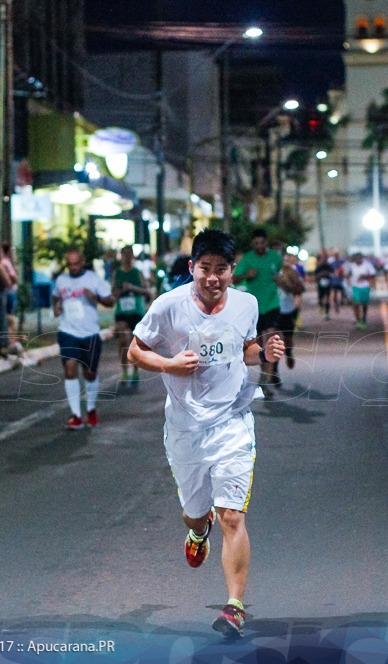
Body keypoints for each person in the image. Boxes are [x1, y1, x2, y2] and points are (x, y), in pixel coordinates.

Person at [127, 229, 285, 639]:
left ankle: (234, 607)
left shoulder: (247, 304)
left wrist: (264, 352)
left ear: (233, 271)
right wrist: (167, 364)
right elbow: (134, 350)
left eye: (222, 270)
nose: (213, 278)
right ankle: (198, 533)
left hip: (232, 422)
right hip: (185, 428)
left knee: (231, 515)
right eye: (205, 269)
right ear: (193, 268)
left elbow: (244, 347)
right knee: (197, 513)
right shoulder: (168, 306)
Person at [53, 248, 115, 429]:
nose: (73, 267)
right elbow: (56, 297)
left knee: (90, 373)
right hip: (67, 332)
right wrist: (56, 307)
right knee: (70, 369)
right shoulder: (61, 280)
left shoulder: (93, 279)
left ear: (82, 262)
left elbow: (110, 301)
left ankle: (91, 408)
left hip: (90, 333)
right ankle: (76, 415)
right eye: (69, 264)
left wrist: (94, 297)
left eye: (76, 263)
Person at [232, 228, 283, 396]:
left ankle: (267, 379)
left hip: (272, 304)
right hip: (254, 307)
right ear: (252, 244)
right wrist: (247, 274)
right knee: (260, 343)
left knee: (270, 336)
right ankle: (266, 372)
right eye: (256, 243)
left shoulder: (275, 257)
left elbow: (282, 274)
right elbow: (234, 279)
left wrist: (281, 281)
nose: (259, 246)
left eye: (262, 243)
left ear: (266, 243)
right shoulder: (247, 259)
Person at [112, 245, 151, 384]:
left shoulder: (137, 273)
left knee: (135, 343)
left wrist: (133, 288)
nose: (127, 257)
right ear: (121, 256)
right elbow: (112, 293)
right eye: (125, 254)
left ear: (132, 256)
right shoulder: (117, 273)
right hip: (122, 311)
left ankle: (135, 371)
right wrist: (116, 294)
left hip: (136, 311)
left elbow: (147, 291)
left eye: (129, 254)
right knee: (123, 340)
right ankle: (124, 371)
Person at [276, 251, 305, 372]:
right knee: (273, 340)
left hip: (288, 309)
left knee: (288, 338)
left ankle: (288, 353)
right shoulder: (268, 272)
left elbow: (300, 288)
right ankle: (273, 370)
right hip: (273, 309)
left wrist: (286, 285)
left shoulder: (291, 271)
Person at [0, 242, 22, 354]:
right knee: (10, 318)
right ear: (8, 250)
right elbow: (12, 278)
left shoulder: (7, 262)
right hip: (9, 291)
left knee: (11, 318)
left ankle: (12, 341)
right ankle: (10, 341)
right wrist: (14, 275)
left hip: (11, 291)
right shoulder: (5, 263)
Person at [346, 252, 377, 330]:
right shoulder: (352, 266)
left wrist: (365, 276)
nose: (356, 260)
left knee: (364, 304)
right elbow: (348, 274)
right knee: (356, 303)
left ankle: (364, 317)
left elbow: (373, 274)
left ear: (361, 259)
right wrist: (348, 280)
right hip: (355, 287)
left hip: (365, 286)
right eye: (355, 259)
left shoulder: (367, 265)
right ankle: (358, 320)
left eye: (358, 259)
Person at [314, 252, 334, 320]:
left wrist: (328, 274)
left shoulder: (329, 266)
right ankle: (321, 306)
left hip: (328, 284)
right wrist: (321, 275)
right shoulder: (319, 266)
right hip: (320, 284)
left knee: (327, 298)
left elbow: (333, 273)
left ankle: (327, 313)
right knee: (321, 298)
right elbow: (315, 275)